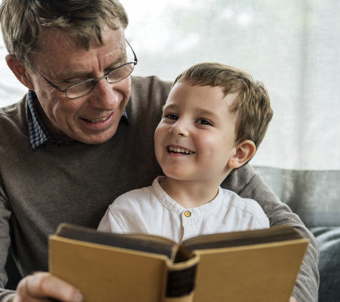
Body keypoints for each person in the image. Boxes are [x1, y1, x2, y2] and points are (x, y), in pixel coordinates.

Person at [0, 0, 319, 302]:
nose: (108, 99)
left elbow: (291, 236)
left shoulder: (175, 113)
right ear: (23, 72)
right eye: (76, 81)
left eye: (117, 68)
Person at [98, 62, 272, 240]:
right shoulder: (126, 213)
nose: (177, 127)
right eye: (171, 116)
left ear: (239, 153)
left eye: (203, 121)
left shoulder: (251, 220)